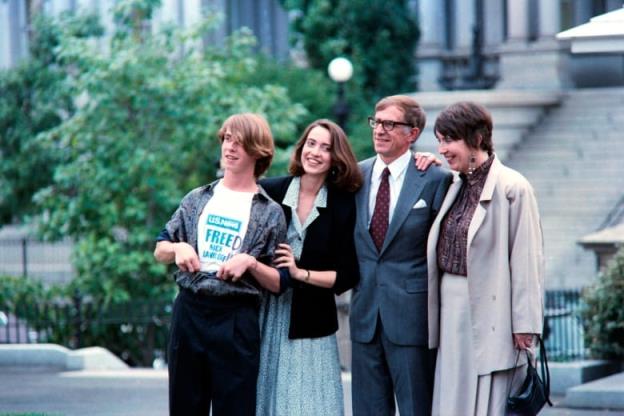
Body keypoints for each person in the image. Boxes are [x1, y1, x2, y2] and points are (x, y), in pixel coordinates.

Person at [153, 113, 287, 416]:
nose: (230, 147)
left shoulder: (270, 212)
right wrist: (178, 247)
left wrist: (250, 263)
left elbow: (279, 282)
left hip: (237, 318)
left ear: (258, 151)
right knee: (185, 407)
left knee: (236, 409)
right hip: (190, 311)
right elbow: (160, 249)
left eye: (240, 142)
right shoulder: (198, 198)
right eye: (227, 138)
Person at [427, 101, 545, 415]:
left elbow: (527, 260)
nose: (442, 149)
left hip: (493, 310)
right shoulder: (453, 184)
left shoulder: (514, 187)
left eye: (449, 140)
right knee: (453, 394)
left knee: (490, 397)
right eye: (439, 140)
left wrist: (525, 324)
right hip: (451, 308)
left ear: (477, 138)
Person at [350, 95, 453, 416]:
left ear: (413, 133)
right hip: (365, 316)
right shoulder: (353, 178)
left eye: (390, 124)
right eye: (377, 123)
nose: (380, 130)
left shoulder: (437, 179)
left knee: (416, 409)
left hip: (412, 318)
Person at [255, 119, 362, 416]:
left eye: (326, 148)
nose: (315, 152)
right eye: (311, 144)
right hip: (267, 314)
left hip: (313, 322)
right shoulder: (270, 191)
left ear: (335, 159)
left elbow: (347, 275)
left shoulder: (343, 204)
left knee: (312, 404)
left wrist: (299, 272)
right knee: (266, 399)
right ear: (301, 148)